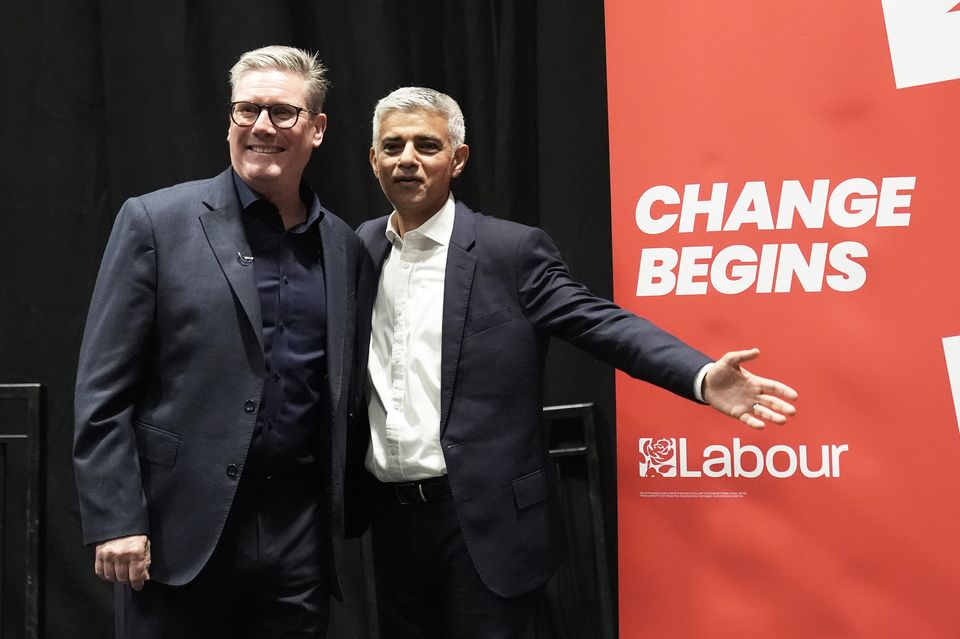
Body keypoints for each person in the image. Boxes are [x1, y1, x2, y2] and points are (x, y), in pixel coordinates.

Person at [354, 86, 799, 639]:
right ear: (374, 159)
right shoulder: (360, 249)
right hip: (392, 525)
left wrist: (701, 375)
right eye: (393, 146)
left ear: (458, 158)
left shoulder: (509, 252)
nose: (408, 160)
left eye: (427, 145)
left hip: (484, 526)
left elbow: (601, 323)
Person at [73, 45, 364, 638]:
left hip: (298, 540)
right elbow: (102, 388)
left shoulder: (343, 246)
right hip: (175, 533)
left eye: (282, 112)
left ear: (317, 128)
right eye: (246, 110)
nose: (261, 127)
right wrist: (115, 517)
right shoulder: (156, 222)